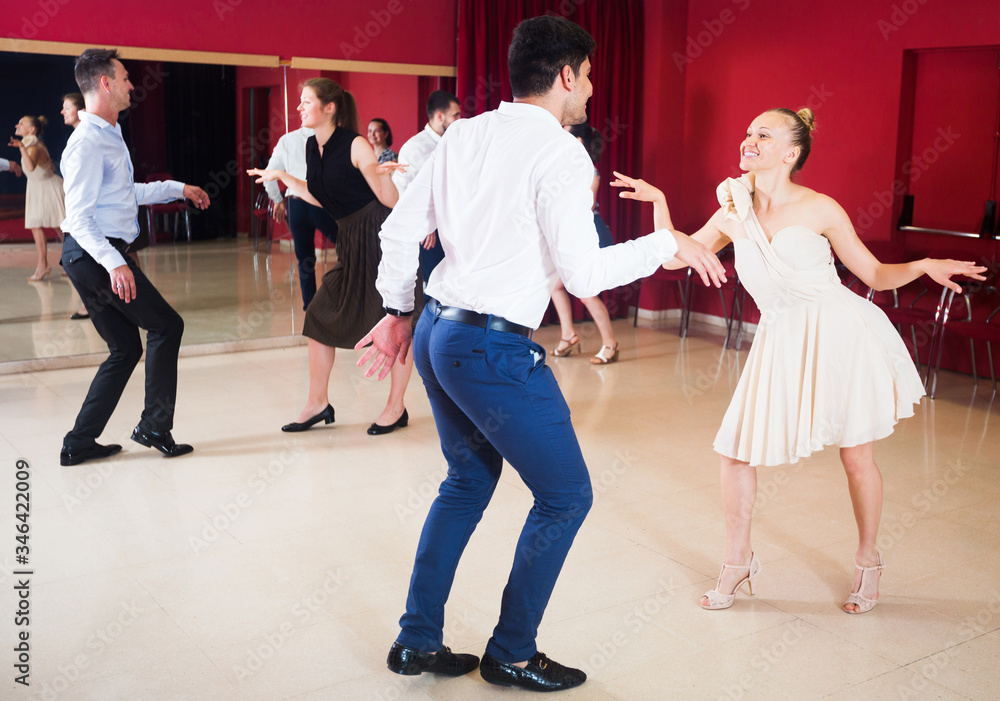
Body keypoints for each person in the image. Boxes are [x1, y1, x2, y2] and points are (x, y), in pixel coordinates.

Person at [355, 16, 725, 692]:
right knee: (565, 495)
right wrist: (667, 242)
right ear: (564, 76)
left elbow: (403, 229)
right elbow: (583, 276)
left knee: (466, 482)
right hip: (489, 345)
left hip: (440, 330)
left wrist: (395, 312)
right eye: (586, 77)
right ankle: (512, 651)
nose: (589, 90)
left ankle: (417, 641)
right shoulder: (561, 153)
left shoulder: (462, 134)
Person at [612, 107, 986, 615]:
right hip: (780, 337)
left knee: (856, 457)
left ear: (791, 153)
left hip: (840, 332)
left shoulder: (821, 208)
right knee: (736, 452)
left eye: (763, 135)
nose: (750, 140)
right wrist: (659, 205)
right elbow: (677, 255)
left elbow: (873, 275)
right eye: (748, 132)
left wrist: (921, 265)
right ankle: (738, 560)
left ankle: (868, 559)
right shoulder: (732, 209)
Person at [59, 48, 211, 466]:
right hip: (94, 254)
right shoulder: (87, 142)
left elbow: (128, 195)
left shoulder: (109, 135)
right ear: (106, 83)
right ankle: (154, 426)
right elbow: (80, 218)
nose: (131, 84)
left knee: (125, 348)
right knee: (167, 326)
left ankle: (79, 442)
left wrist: (179, 187)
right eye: (125, 77)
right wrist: (116, 263)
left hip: (88, 255)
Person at [248, 78, 419, 435]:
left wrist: (384, 176)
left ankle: (396, 406)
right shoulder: (312, 146)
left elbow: (390, 201)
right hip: (350, 239)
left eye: (306, 101)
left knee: (398, 321)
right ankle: (318, 403)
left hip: (377, 237)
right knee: (320, 315)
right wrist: (282, 177)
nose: (299, 108)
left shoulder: (356, 145)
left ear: (330, 108)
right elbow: (319, 195)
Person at [549, 122, 619, 364]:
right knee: (555, 285)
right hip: (573, 233)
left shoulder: (588, 171)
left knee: (586, 292)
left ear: (577, 142)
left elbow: (586, 206)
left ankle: (611, 344)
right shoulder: (567, 169)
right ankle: (568, 335)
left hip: (591, 233)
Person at [262, 126, 339, 309]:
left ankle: (310, 307)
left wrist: (278, 201)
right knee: (348, 245)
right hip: (319, 202)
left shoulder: (286, 139)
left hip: (294, 204)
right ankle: (341, 299)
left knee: (305, 260)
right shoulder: (330, 136)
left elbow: (268, 176)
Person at [391, 90, 461, 284]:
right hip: (431, 232)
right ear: (440, 116)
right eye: (455, 115)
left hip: (456, 225)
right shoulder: (414, 148)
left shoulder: (457, 143)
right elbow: (404, 193)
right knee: (434, 285)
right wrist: (426, 224)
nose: (460, 119)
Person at [9, 114, 66, 282]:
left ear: (31, 129)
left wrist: (20, 147)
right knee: (37, 225)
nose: (17, 125)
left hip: (48, 189)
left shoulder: (32, 146)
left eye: (21, 123)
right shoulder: (31, 144)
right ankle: (43, 265)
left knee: (61, 228)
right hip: (38, 188)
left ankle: (73, 261)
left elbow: (30, 167)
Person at [62, 92, 92, 319]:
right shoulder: (77, 136)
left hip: (90, 210)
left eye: (66, 107)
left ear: (80, 109)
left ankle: (91, 305)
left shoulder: (88, 135)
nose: (62, 111)